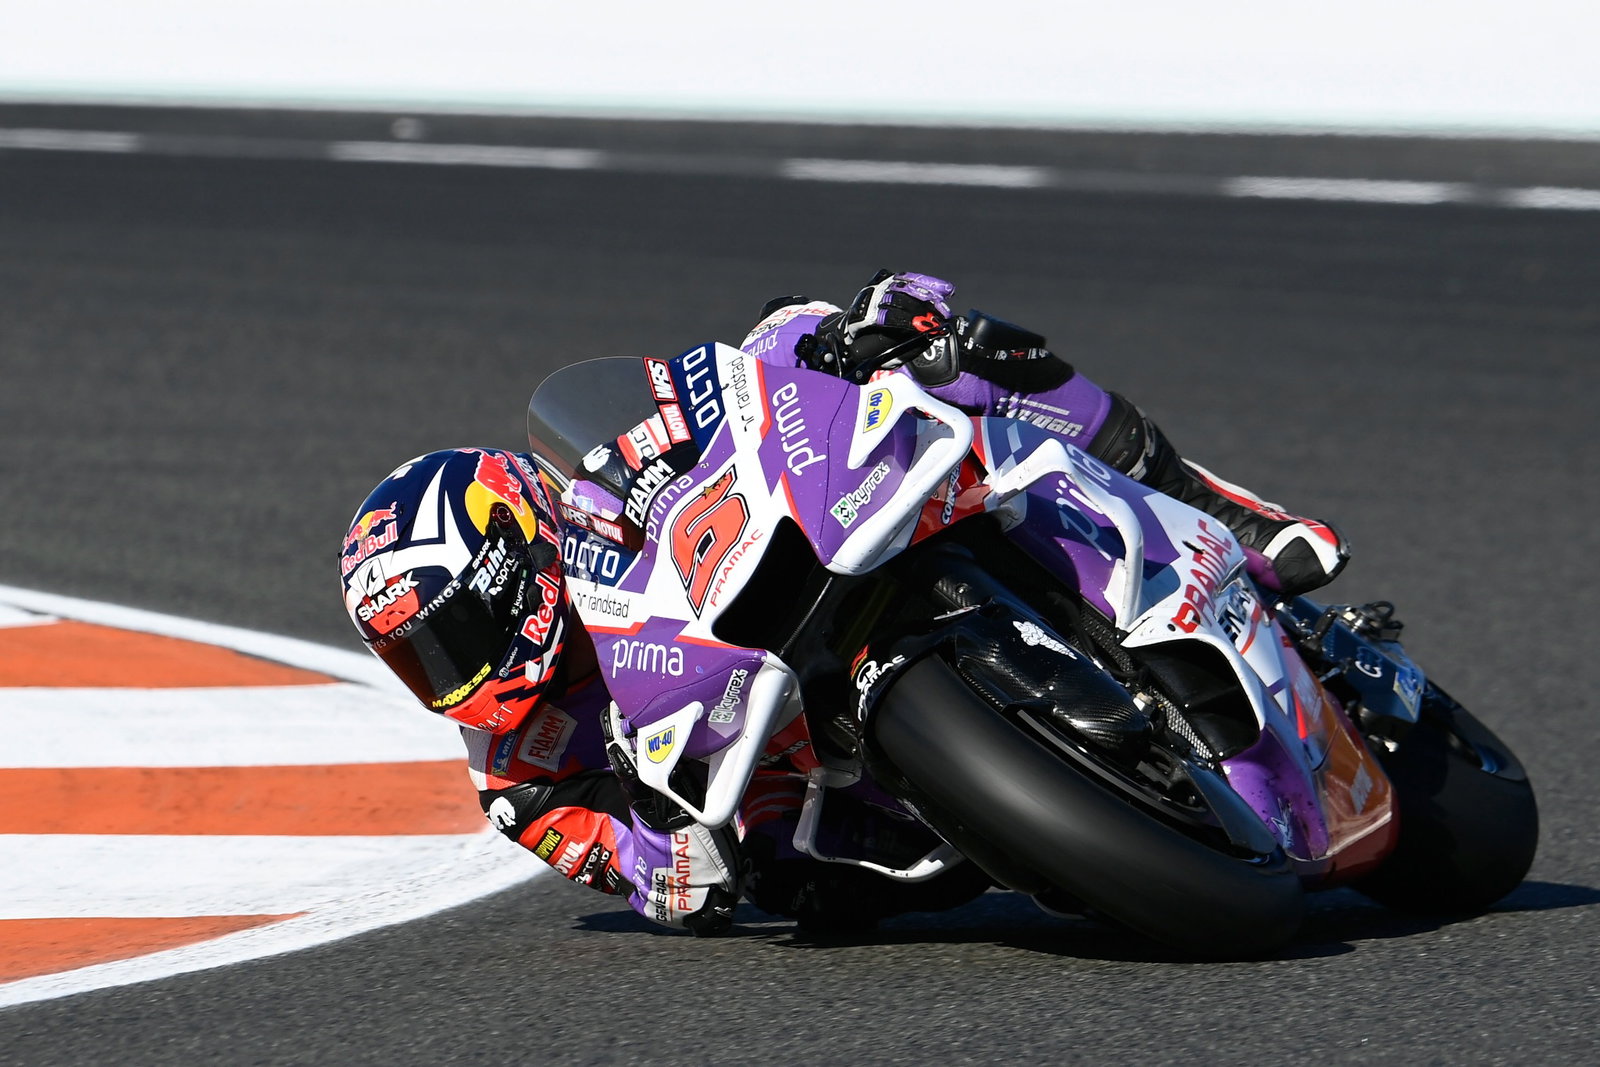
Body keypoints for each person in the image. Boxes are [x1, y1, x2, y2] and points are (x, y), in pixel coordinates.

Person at [338, 271, 1350, 936]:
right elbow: (622, 863)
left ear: (516, 555)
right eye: (418, 658)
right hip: (803, 775)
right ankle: (1037, 818)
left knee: (926, 348)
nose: (453, 673)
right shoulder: (519, 769)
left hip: (812, 548)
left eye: (452, 634)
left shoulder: (597, 489)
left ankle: (1218, 510)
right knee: (797, 890)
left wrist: (832, 339)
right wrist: (665, 859)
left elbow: (718, 386)